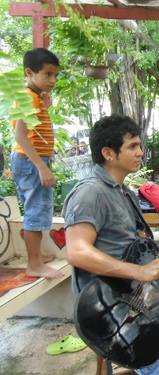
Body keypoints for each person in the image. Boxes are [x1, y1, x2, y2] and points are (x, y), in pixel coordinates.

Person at [63, 115, 159, 374]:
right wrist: (139, 272)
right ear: (108, 153)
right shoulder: (90, 193)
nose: (140, 152)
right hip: (110, 301)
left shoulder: (123, 191)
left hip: (136, 286)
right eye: (132, 146)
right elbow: (77, 251)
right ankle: (142, 348)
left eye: (140, 145)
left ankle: (153, 341)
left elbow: (139, 242)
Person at [11, 48, 62, 278]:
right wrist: (41, 167)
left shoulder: (32, 97)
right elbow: (20, 136)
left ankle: (36, 257)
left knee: (34, 209)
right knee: (36, 211)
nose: (53, 80)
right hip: (32, 161)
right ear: (29, 72)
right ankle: (34, 264)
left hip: (28, 160)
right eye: (48, 75)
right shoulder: (29, 98)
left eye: (55, 76)